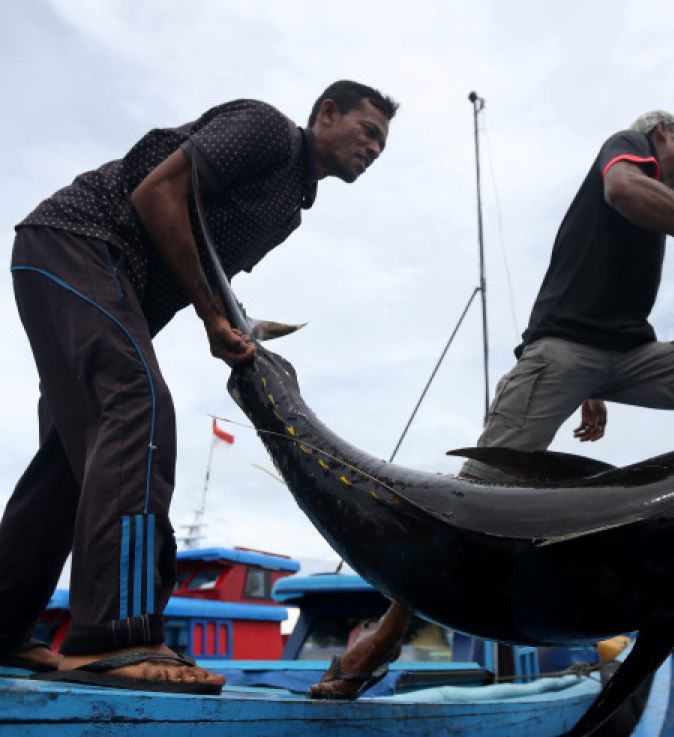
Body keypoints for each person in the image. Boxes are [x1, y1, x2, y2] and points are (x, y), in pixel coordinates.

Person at [310, 110, 674, 699]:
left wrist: (599, 388)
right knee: (467, 498)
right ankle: (385, 636)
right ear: (660, 134)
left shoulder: (654, 202)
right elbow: (622, 188)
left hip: (630, 352)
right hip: (559, 351)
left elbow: (606, 283)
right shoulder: (630, 152)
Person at [0, 80, 397, 692]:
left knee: (69, 462)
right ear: (326, 114)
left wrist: (231, 322)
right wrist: (214, 317)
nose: (374, 150)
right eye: (368, 132)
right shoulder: (266, 131)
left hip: (92, 271)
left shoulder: (287, 210)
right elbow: (157, 192)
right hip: (79, 243)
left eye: (382, 145)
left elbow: (204, 269)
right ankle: (115, 637)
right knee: (138, 411)